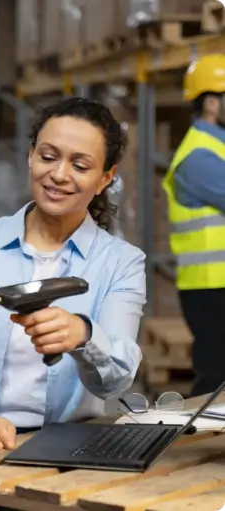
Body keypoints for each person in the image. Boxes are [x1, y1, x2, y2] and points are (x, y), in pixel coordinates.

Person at [0, 97, 146, 450]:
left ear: (106, 178)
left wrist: (84, 336)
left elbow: (117, 380)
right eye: (48, 156)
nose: (58, 174)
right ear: (30, 156)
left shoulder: (121, 262)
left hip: (69, 449)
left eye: (80, 165)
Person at [162, 54, 225, 398]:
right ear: (213, 103)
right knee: (216, 380)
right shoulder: (199, 157)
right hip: (211, 288)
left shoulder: (217, 147)